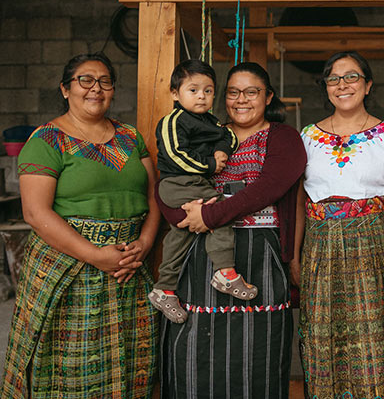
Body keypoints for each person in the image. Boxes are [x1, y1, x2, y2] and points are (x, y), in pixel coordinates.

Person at [2, 52, 160, 398]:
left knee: (132, 362)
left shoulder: (130, 137)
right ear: (65, 89)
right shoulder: (46, 141)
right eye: (85, 80)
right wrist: (95, 255)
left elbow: (153, 197)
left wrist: (145, 244)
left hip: (128, 268)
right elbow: (36, 213)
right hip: (71, 265)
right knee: (70, 365)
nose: (96, 89)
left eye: (105, 81)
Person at [155, 61, 305, 399]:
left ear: (267, 96)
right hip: (201, 254)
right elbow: (170, 177)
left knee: (259, 355)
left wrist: (209, 215)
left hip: (261, 255)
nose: (241, 100)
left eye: (251, 92)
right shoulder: (207, 132)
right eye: (233, 92)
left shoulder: (284, 137)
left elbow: (267, 189)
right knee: (194, 349)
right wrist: (180, 213)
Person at [295, 51, 384, 399]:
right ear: (326, 87)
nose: (342, 85)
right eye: (334, 79)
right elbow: (299, 205)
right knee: (323, 341)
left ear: (367, 85)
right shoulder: (307, 137)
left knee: (375, 344)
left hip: (376, 248)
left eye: (351, 77)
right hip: (320, 251)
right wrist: (294, 258)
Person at [150, 59, 256, 325]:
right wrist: (211, 163)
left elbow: (229, 136)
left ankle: (164, 288)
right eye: (193, 90)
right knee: (217, 213)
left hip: (194, 183)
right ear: (175, 93)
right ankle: (224, 271)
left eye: (208, 91)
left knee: (181, 233)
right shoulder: (172, 121)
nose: (202, 96)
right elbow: (175, 155)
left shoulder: (210, 121)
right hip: (178, 182)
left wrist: (222, 150)